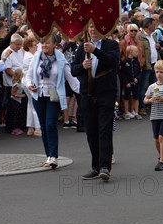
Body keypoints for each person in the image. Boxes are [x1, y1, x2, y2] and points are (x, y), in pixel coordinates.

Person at [72, 24, 120, 181]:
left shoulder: (111, 44)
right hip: (87, 93)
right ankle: (95, 166)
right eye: (90, 27)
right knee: (91, 131)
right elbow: (73, 70)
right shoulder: (81, 48)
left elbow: (112, 62)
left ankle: (105, 166)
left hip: (106, 93)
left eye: (95, 27)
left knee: (104, 129)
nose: (92, 30)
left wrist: (95, 51)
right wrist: (82, 66)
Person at [25, 34, 79, 169]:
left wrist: (84, 90)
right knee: (43, 126)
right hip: (38, 94)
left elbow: (71, 78)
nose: (44, 46)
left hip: (53, 96)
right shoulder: (36, 58)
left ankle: (54, 156)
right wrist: (29, 84)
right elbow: (29, 75)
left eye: (47, 43)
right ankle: (48, 155)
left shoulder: (61, 60)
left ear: (54, 44)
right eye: (42, 43)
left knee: (50, 124)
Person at [22, 37, 41, 136]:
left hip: (27, 82)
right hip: (30, 83)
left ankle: (30, 127)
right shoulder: (30, 57)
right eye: (34, 45)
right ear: (29, 47)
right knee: (35, 105)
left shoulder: (28, 55)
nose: (36, 47)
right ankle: (37, 128)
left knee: (30, 105)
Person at [120, 45, 141, 120]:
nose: (137, 53)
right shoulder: (124, 62)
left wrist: (137, 78)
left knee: (136, 97)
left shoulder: (136, 62)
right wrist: (126, 82)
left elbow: (139, 72)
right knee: (127, 97)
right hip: (128, 83)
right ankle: (126, 112)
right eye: (136, 51)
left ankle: (136, 112)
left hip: (135, 82)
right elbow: (123, 73)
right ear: (131, 52)